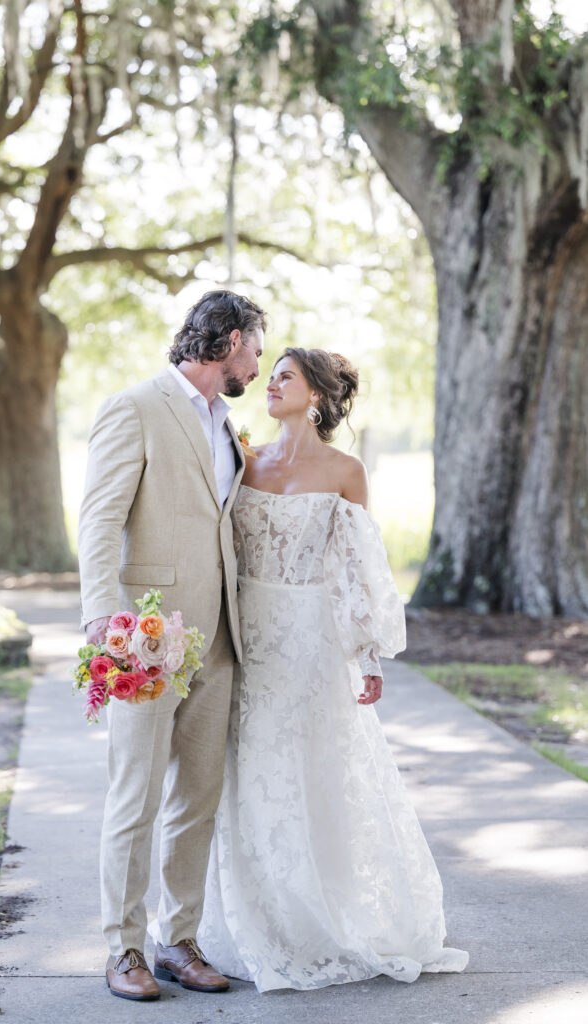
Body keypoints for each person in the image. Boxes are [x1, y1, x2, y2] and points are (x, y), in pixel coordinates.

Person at [197, 347, 469, 991]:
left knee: (318, 767)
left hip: (313, 639)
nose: (270, 384)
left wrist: (365, 652)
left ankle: (327, 915)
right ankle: (259, 916)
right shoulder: (244, 459)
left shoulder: (347, 471)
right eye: (271, 375)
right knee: (252, 768)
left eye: (284, 376)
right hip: (249, 633)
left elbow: (355, 568)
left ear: (316, 394)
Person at [77, 290, 265, 1001]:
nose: (257, 363)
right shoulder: (136, 406)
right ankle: (120, 947)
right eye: (254, 348)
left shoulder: (225, 422)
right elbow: (99, 519)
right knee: (135, 795)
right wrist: (103, 618)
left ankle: (177, 941)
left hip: (218, 638)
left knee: (198, 797)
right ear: (231, 340)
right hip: (147, 632)